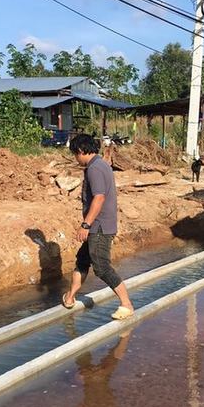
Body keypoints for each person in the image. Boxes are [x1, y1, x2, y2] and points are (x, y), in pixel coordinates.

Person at [63, 134, 134, 320]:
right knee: (82, 260)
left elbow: (99, 197)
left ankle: (126, 304)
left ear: (80, 151)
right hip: (98, 225)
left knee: (101, 267)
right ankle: (70, 297)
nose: (75, 159)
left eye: (75, 155)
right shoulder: (101, 164)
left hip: (99, 226)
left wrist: (85, 224)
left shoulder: (94, 168)